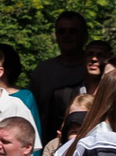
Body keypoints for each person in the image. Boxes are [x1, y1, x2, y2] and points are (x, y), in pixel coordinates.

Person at [31, 12, 93, 140]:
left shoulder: (94, 70)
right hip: (47, 145)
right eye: (61, 31)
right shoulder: (43, 71)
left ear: (84, 36)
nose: (67, 36)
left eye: (73, 31)